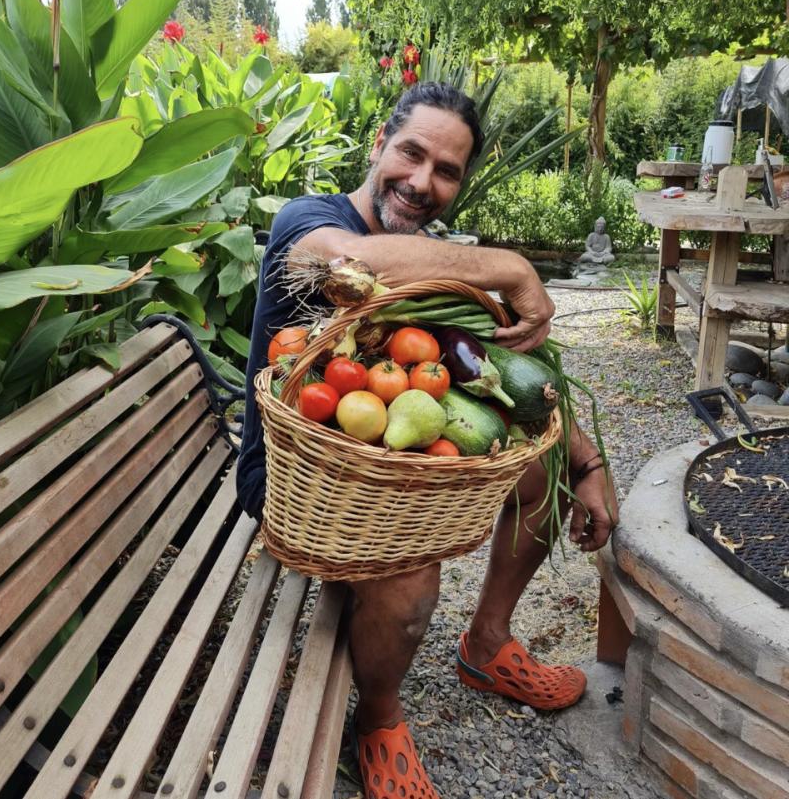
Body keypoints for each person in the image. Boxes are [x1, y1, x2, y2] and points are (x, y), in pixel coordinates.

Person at [238, 82, 618, 799]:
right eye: (412, 154)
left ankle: (486, 644)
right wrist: (513, 267)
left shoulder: (427, 255)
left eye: (446, 171)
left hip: (388, 456)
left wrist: (588, 462)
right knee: (414, 571)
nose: (422, 182)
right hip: (297, 483)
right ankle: (379, 719)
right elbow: (348, 263)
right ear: (380, 142)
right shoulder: (306, 219)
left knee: (542, 472)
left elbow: (497, 370)